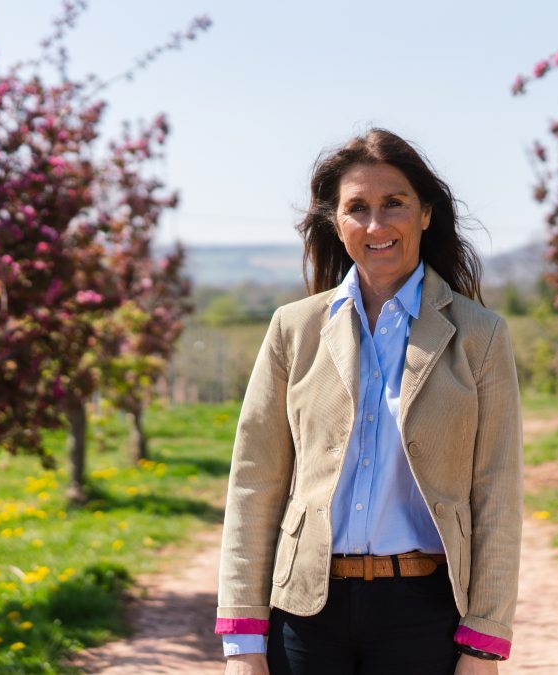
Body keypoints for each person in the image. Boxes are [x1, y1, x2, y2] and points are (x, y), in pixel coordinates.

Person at [215, 128, 523, 675]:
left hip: (425, 614)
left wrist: (484, 643)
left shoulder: (480, 336)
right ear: (337, 222)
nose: (376, 226)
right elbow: (254, 483)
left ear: (426, 213)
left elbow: (497, 493)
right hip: (306, 611)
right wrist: (243, 641)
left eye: (394, 204)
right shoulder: (294, 329)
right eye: (357, 208)